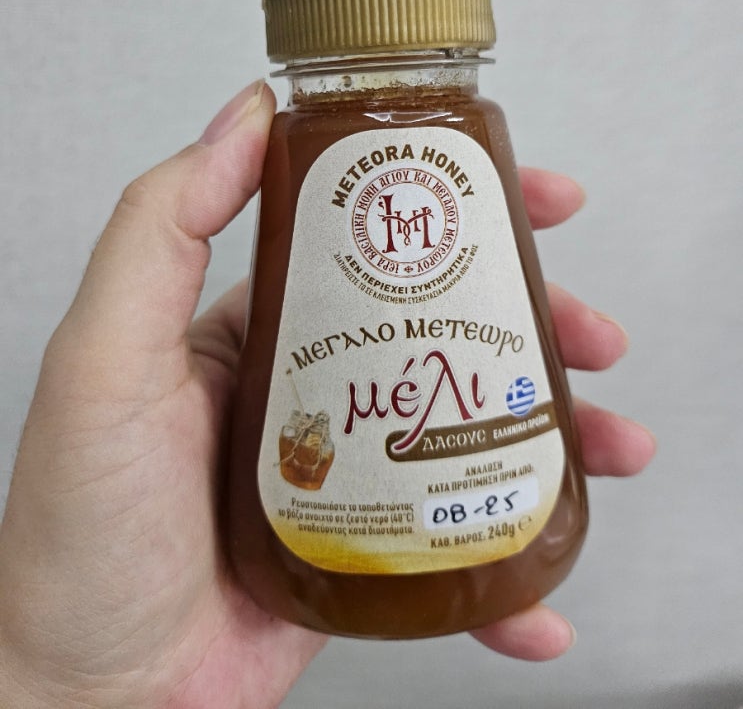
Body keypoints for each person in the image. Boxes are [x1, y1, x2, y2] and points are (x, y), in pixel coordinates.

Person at [0, 81, 656, 709]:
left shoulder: (465, 123)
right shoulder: (316, 133)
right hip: (283, 563)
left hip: (491, 526)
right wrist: (60, 685)